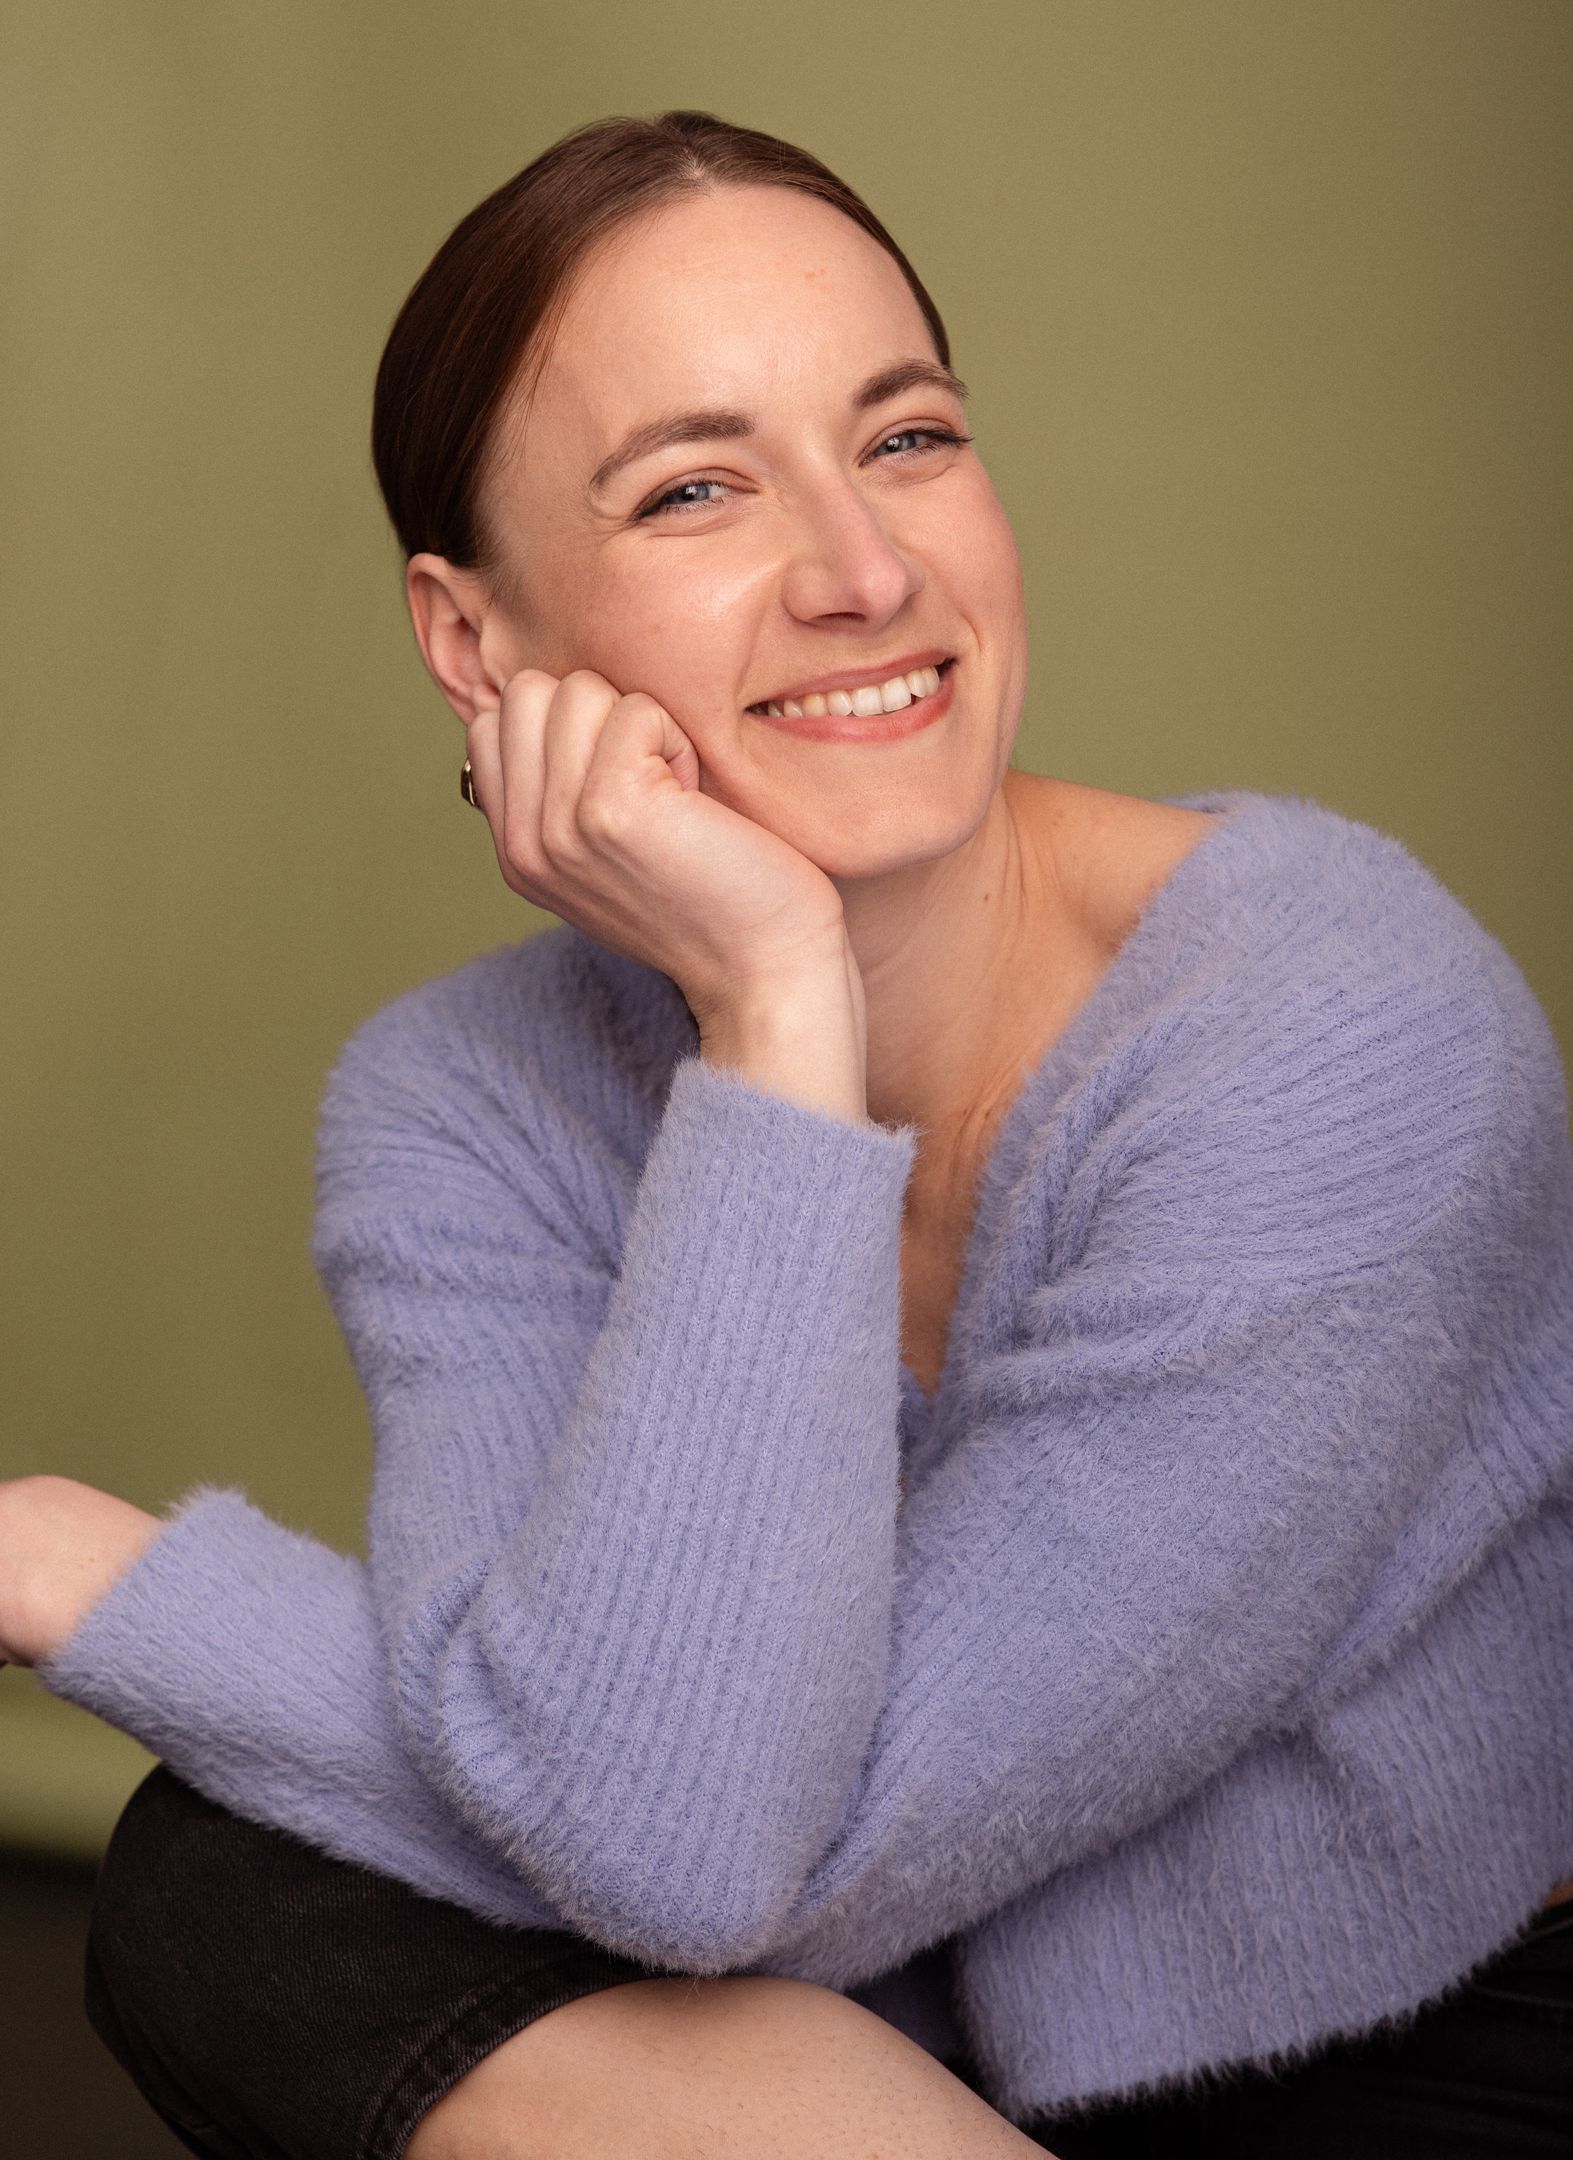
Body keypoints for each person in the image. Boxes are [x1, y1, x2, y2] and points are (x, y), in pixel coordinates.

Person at [2, 108, 1569, 2160]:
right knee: (222, 1889)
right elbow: (641, 1796)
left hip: (1429, 2053)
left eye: (905, 438)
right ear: (475, 644)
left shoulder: (1331, 1021)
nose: (864, 572)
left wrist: (105, 1583)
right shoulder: (462, 1101)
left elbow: (718, 1873)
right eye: (694, 488)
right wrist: (787, 1023)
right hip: (855, 2064)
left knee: (306, 1818)